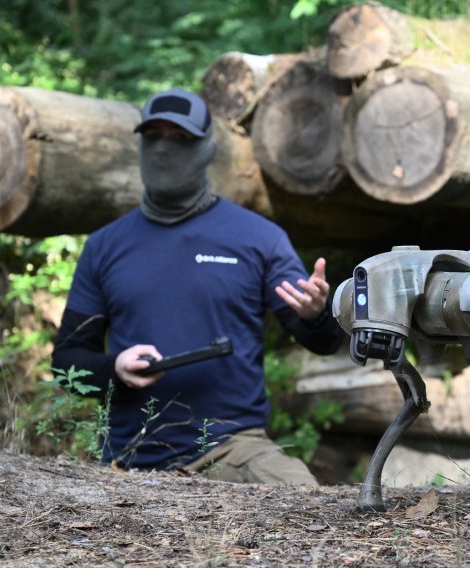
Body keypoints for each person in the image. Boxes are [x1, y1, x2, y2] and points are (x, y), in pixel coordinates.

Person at [51, 87, 345, 485]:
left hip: (231, 448)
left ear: (207, 148)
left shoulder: (258, 238)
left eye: (181, 139)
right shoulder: (105, 245)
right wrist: (114, 368)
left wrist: (316, 315)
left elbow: (323, 342)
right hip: (130, 457)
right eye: (153, 136)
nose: (163, 150)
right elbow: (66, 361)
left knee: (303, 499)